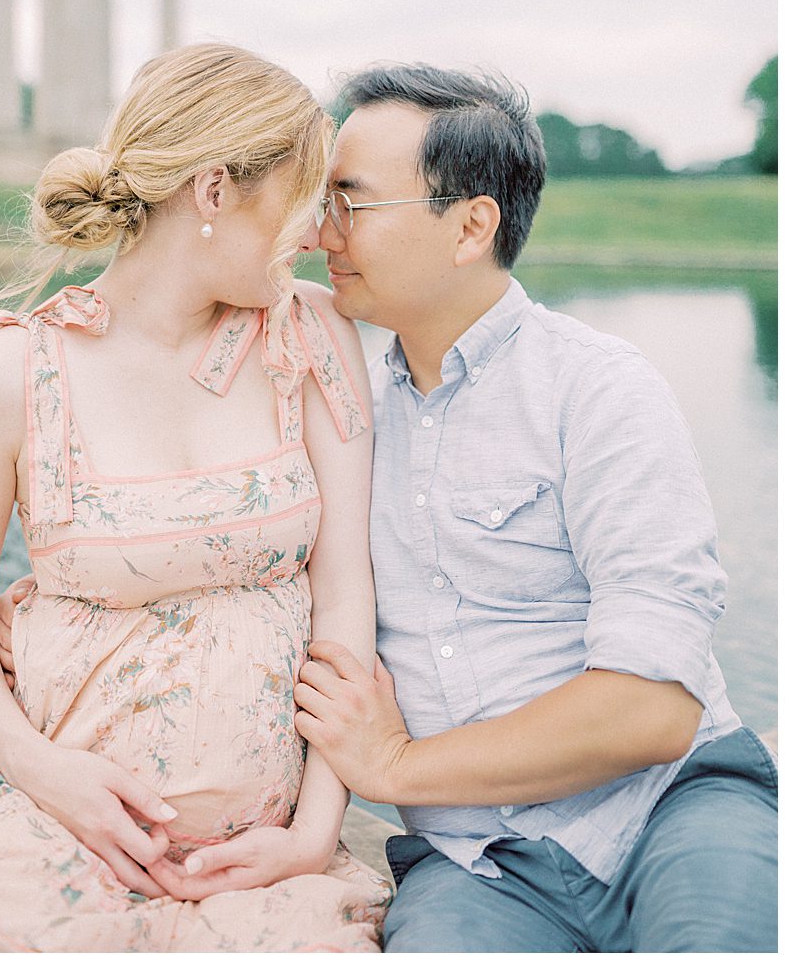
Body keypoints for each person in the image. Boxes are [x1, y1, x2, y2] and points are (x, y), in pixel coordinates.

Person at [0, 43, 392, 954]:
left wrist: (313, 833)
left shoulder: (310, 337)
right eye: (306, 198)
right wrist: (47, 775)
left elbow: (345, 594)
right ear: (216, 190)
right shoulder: (7, 373)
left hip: (262, 850)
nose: (317, 234)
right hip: (43, 807)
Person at [285, 64, 777, 953]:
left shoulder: (598, 388)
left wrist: (396, 764)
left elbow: (652, 709)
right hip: (474, 863)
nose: (323, 233)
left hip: (669, 809)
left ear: (472, 224)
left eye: (351, 202)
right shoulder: (343, 415)